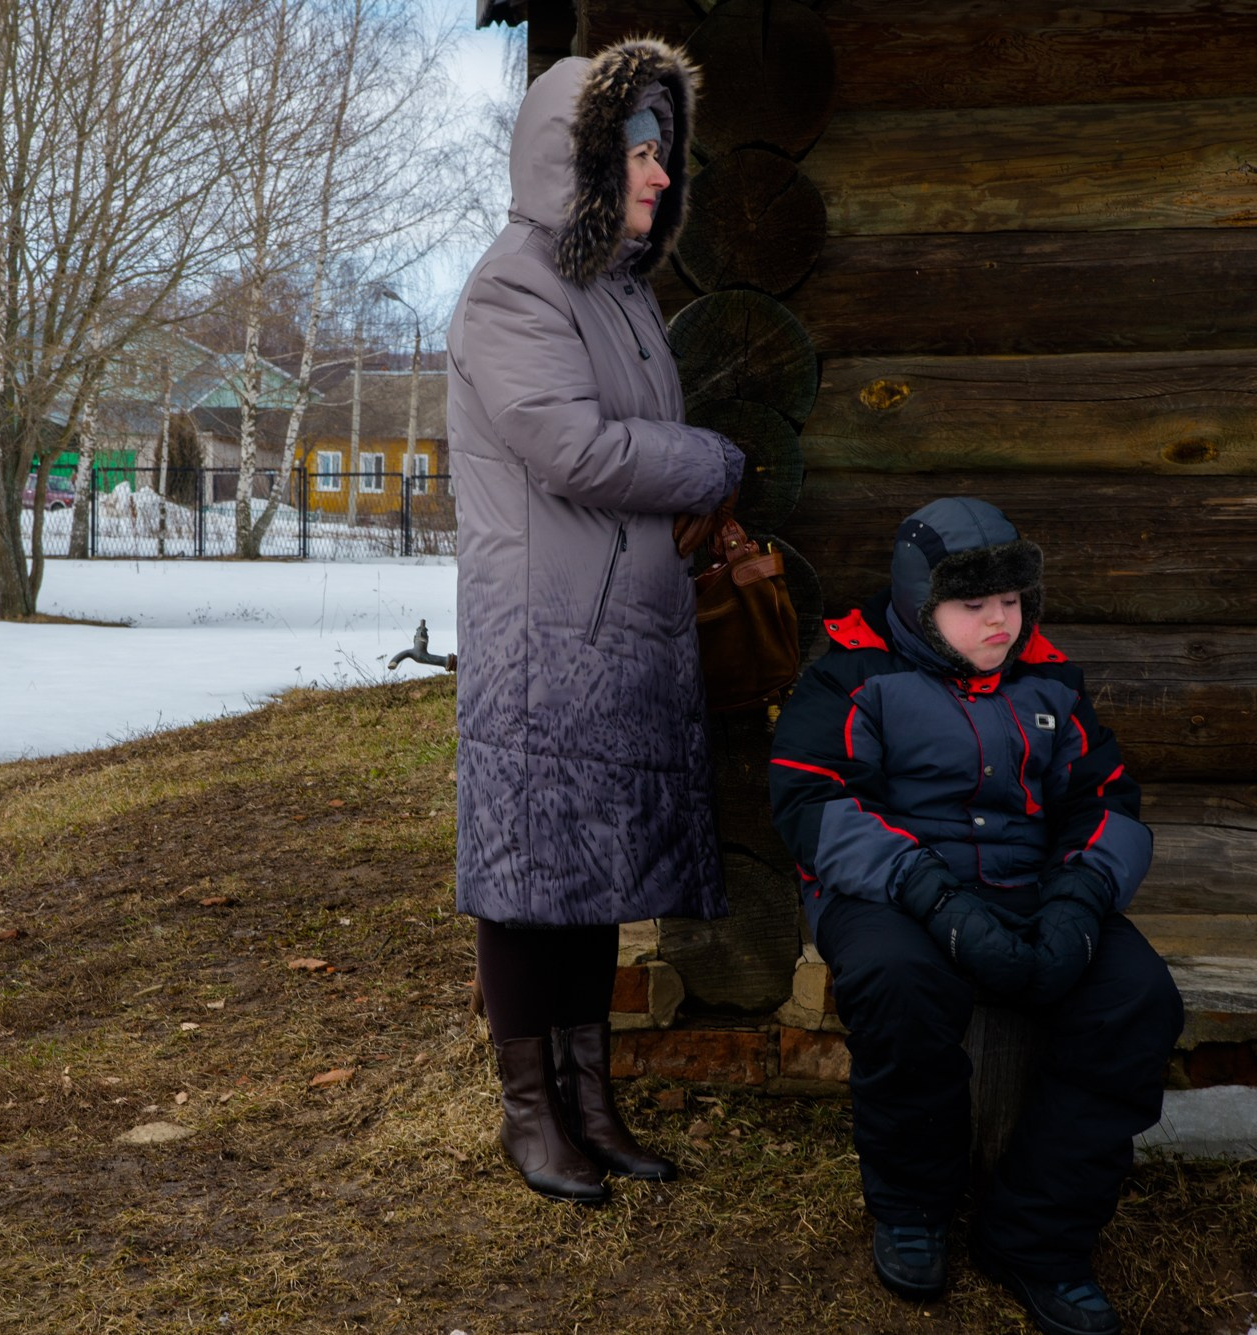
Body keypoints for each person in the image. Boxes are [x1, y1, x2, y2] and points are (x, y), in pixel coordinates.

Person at [768, 497, 1184, 1335]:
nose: (1002, 619)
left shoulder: (1050, 678)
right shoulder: (853, 670)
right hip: (891, 888)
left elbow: (1109, 802)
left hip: (1032, 885)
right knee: (901, 985)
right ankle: (913, 1207)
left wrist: (1078, 899)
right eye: (974, 603)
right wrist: (932, 895)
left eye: (1012, 599)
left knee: (1135, 998)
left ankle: (1036, 1235)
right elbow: (810, 799)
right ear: (924, 605)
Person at [447, 38, 743, 1205]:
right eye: (636, 150)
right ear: (572, 160)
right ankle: (531, 1115)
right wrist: (711, 460)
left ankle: (591, 1099)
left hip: (615, 623)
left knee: (589, 872)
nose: (660, 173)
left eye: (663, 151)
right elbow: (572, 449)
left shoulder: (619, 292)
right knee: (529, 879)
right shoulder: (513, 286)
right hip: (542, 633)